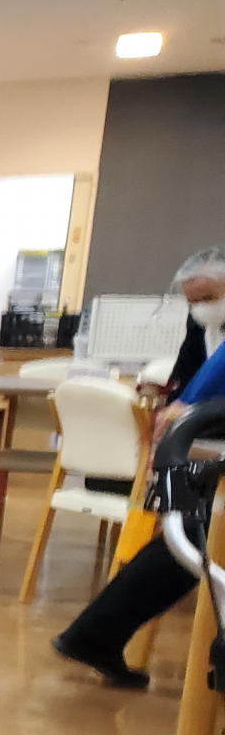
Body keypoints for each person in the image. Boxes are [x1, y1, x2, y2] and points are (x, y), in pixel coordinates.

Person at [54, 247, 225, 688]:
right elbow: (189, 378)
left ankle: (94, 634)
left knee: (191, 539)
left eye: (209, 297)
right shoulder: (201, 326)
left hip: (209, 443)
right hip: (204, 448)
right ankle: (95, 634)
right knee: (188, 538)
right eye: (193, 301)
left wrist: (188, 407)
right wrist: (171, 401)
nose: (200, 309)